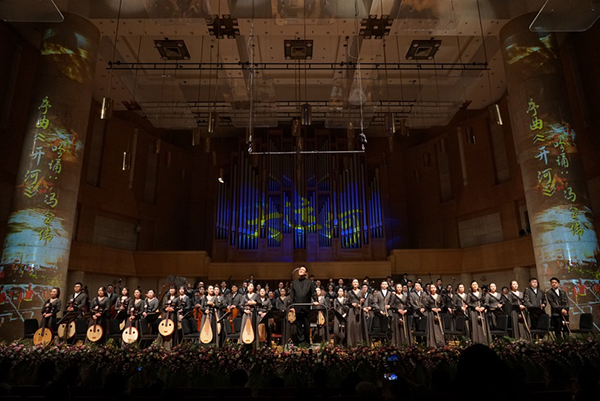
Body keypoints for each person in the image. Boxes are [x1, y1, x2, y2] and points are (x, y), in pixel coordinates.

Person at [289, 266, 315, 344]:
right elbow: (292, 295)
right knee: (298, 326)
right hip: (297, 307)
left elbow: (313, 293)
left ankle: (307, 342)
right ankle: (300, 342)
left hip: (306, 307)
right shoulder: (294, 283)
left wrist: (316, 301)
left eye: (303, 270)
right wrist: (292, 306)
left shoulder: (309, 283)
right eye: (300, 269)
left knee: (307, 325)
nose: (300, 271)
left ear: (306, 273)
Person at [346, 278, 368, 346]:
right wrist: (351, 304)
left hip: (359, 310)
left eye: (356, 282)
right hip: (352, 310)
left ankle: (360, 342)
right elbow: (346, 302)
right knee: (352, 326)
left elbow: (364, 302)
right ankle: (352, 343)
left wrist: (362, 301)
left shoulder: (361, 292)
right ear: (352, 284)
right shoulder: (349, 292)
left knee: (359, 326)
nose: (355, 283)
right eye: (354, 282)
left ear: (358, 284)